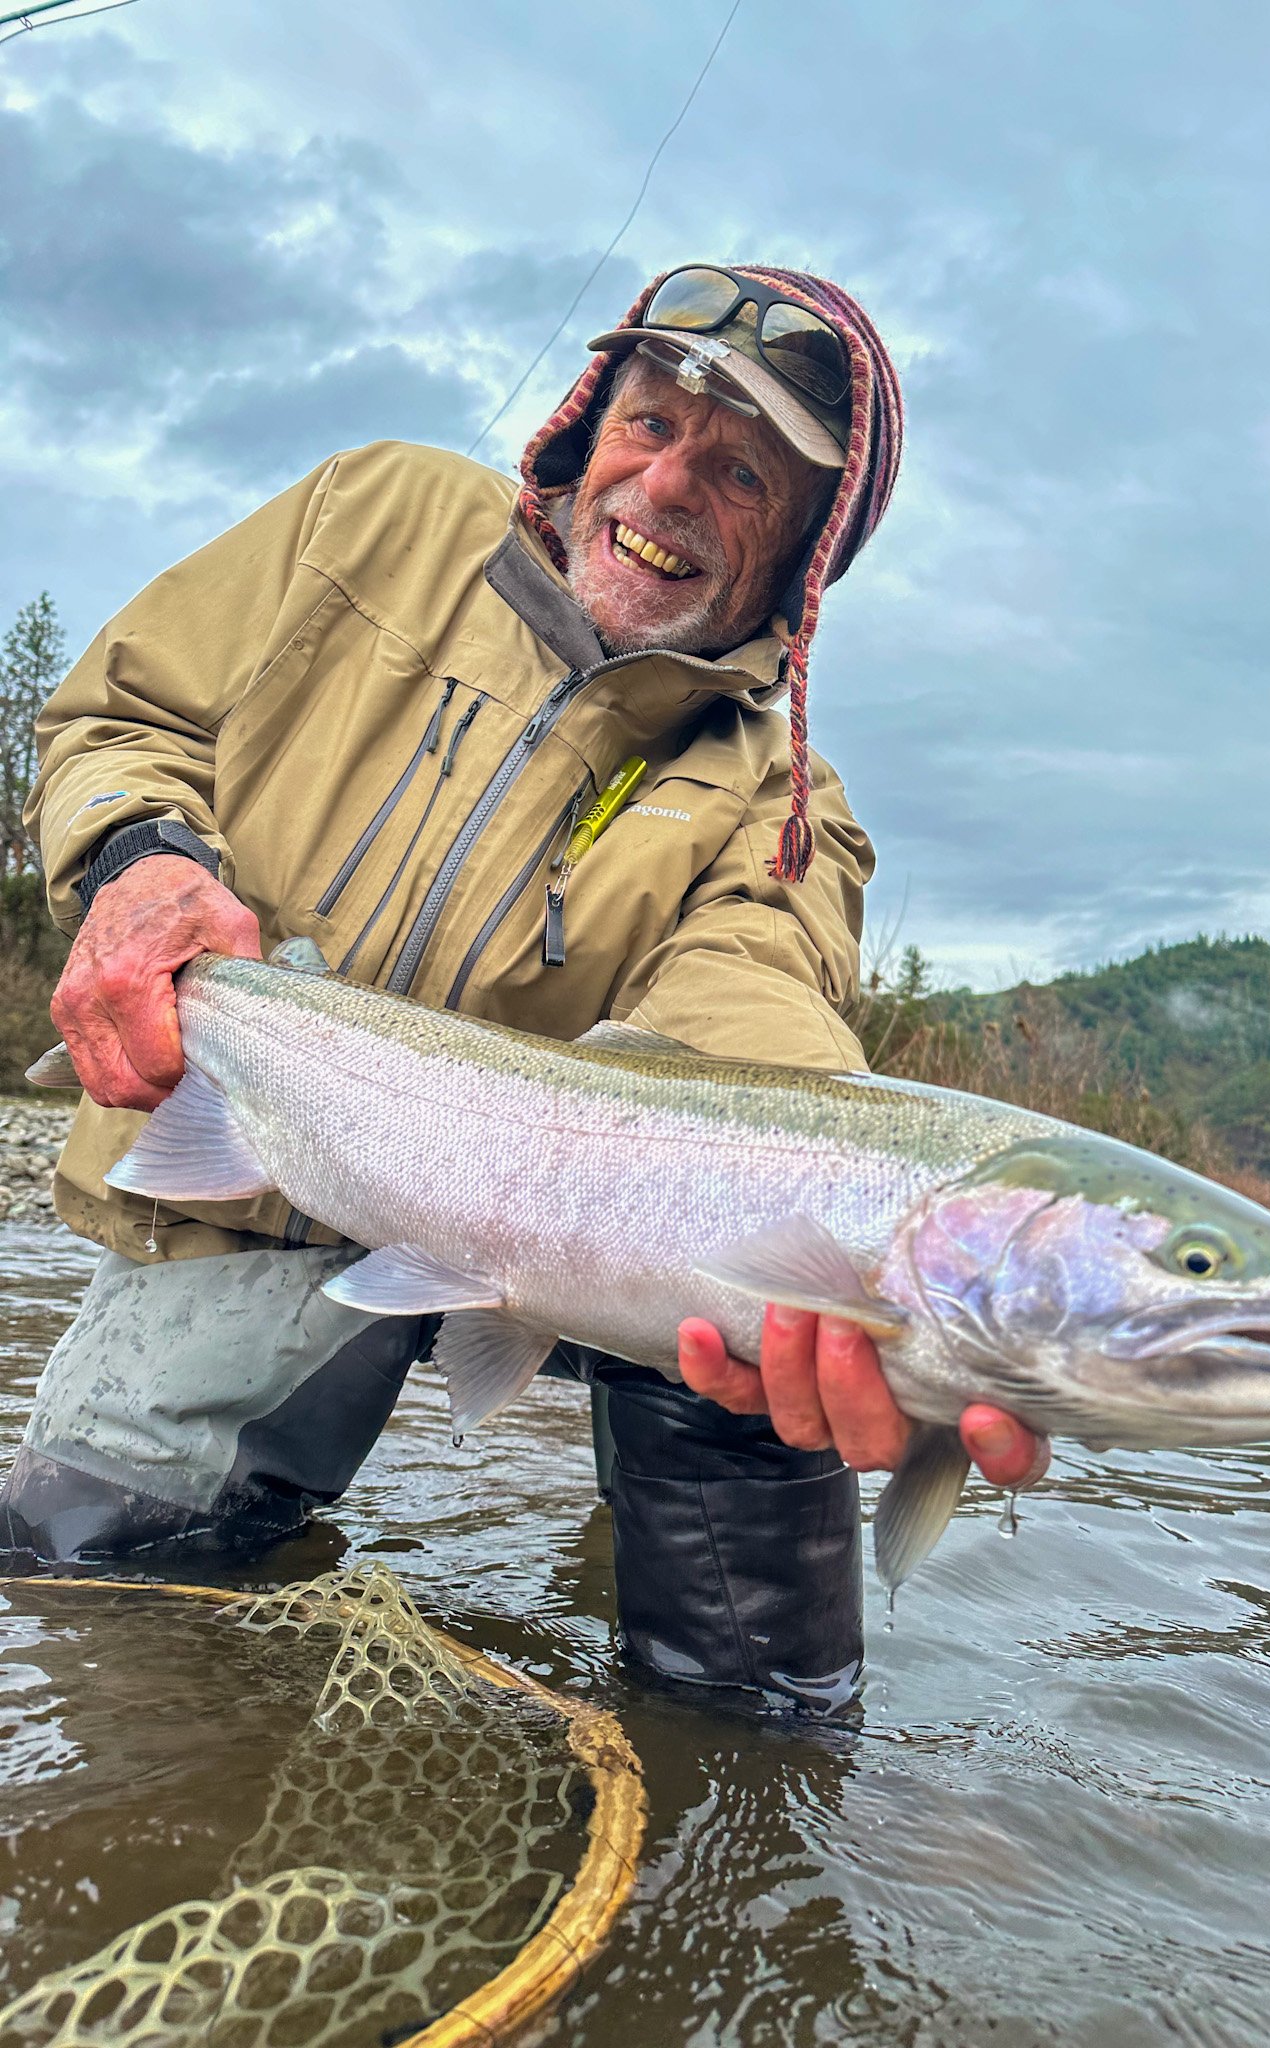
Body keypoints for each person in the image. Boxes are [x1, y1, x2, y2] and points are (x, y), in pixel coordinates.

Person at [2, 263, 1045, 1708]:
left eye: (740, 472)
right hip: (263, 1163)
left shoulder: (789, 808)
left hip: (592, 1242)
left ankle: (729, 1787)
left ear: (805, 558)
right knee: (84, 1575)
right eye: (649, 421)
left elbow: (756, 1041)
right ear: (583, 427)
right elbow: (127, 708)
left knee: (765, 1624)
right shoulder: (370, 516)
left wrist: (883, 1274)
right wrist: (139, 859)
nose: (668, 485)